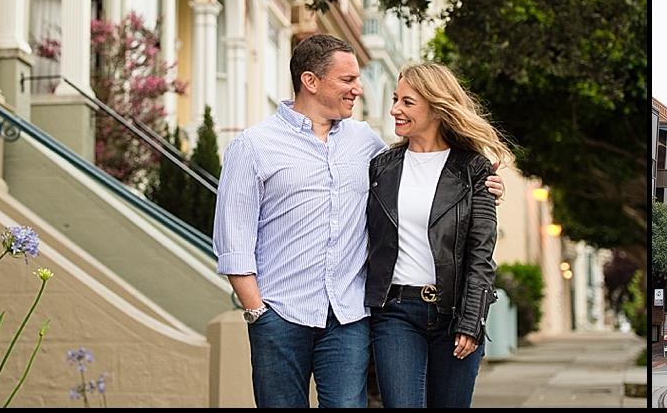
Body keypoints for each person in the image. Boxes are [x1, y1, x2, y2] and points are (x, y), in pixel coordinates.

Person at [213, 35, 503, 408]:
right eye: (347, 79)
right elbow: (232, 241)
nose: (358, 89)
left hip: (348, 318)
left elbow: (428, 180)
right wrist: (258, 312)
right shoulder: (253, 146)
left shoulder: (367, 144)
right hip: (281, 315)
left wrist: (488, 188)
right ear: (311, 81)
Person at [365, 62, 514, 408]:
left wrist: (472, 319)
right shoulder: (380, 168)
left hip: (454, 313)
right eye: (395, 99)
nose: (394, 110)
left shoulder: (473, 169)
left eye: (407, 102)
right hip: (395, 312)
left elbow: (481, 253)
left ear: (436, 107)